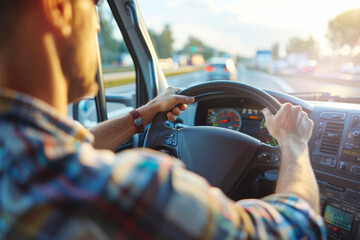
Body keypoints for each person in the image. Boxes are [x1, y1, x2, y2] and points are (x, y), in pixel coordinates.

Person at [0, 0, 326, 239]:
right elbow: (297, 228)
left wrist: (145, 113)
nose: (99, 25)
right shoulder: (133, 187)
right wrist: (294, 143)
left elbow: (72, 145)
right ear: (58, 7)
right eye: (95, 5)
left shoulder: (23, 153)